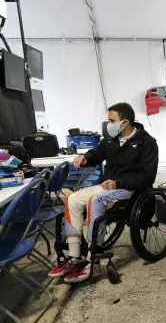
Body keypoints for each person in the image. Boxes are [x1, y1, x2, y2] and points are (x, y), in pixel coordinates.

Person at [49, 102, 159, 283]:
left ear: (124, 123)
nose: (108, 124)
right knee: (72, 199)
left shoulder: (147, 143)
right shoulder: (110, 139)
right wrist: (86, 157)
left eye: (111, 120)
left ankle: (92, 255)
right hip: (108, 185)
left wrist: (118, 182)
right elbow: (97, 153)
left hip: (129, 189)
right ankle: (74, 258)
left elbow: (147, 176)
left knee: (96, 200)